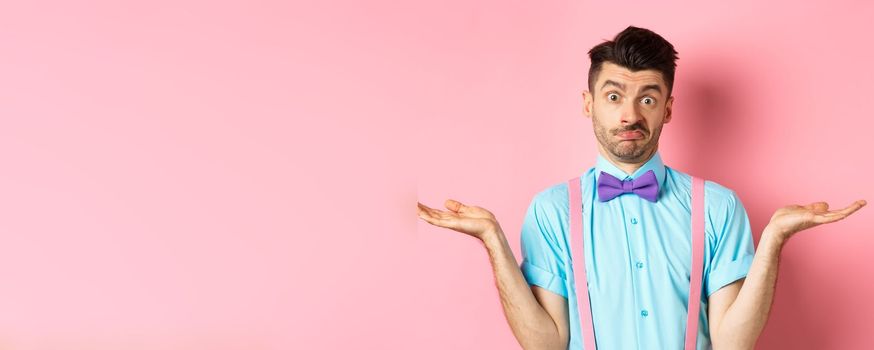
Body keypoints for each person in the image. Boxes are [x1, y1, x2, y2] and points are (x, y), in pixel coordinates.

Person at [416, 26, 866, 349]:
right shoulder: (551, 210)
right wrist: (493, 241)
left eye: (647, 98)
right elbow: (547, 343)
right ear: (589, 104)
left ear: (667, 109)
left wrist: (773, 240)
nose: (630, 115)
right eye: (614, 97)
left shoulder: (718, 206)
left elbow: (732, 343)